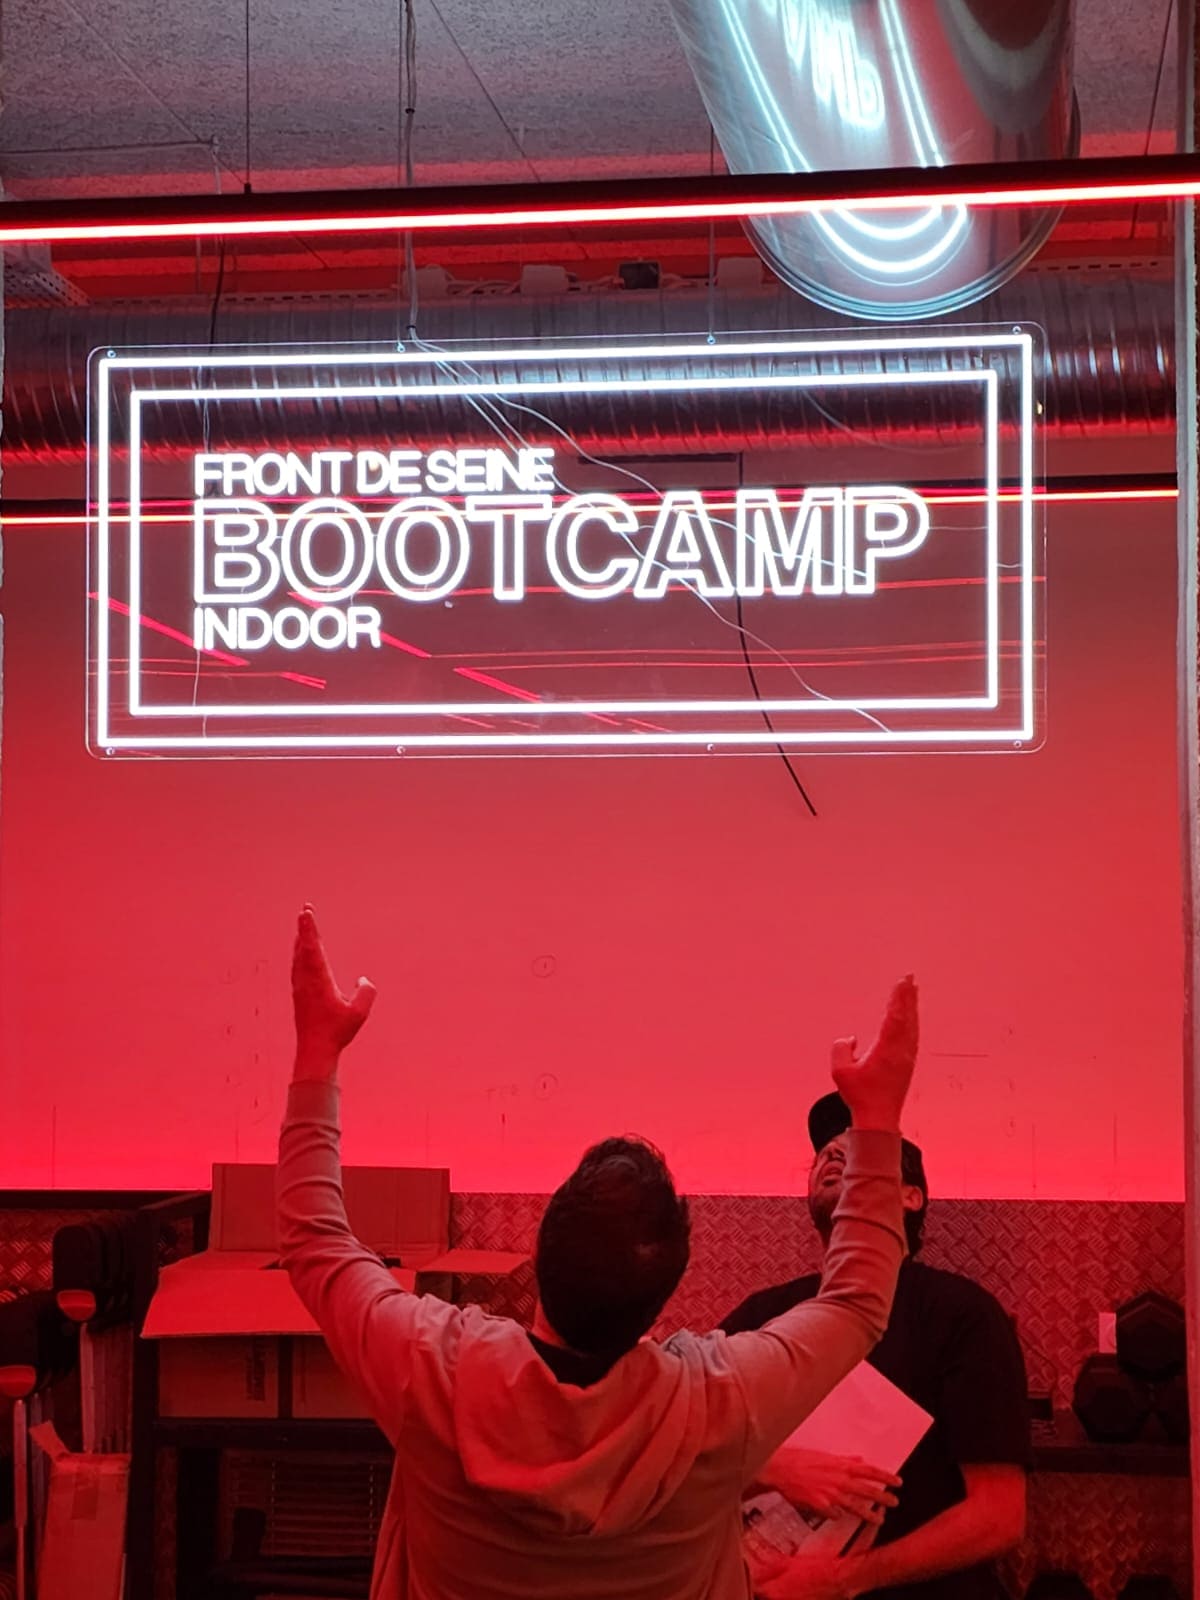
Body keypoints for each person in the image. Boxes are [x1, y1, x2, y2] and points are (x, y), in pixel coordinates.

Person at [277, 903, 919, 1600]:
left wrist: (318, 1051)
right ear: (664, 1294)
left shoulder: (430, 1368)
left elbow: (314, 1240)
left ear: (538, 1251)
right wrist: (876, 1119)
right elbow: (858, 1303)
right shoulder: (719, 1403)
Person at [720, 1094, 1030, 1600]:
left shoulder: (962, 1315)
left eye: (858, 1150)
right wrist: (770, 1470)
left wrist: (843, 1579)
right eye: (825, 1148)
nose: (831, 1151)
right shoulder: (763, 1314)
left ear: (911, 1196)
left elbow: (998, 1516)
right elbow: (685, 1454)